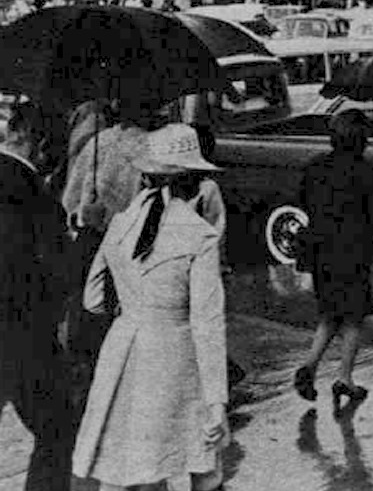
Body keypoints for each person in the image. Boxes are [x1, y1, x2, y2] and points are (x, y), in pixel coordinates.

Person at [72, 123, 229, 491]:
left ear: (145, 175)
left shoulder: (121, 223)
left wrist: (131, 305)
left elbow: (93, 299)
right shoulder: (199, 235)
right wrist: (217, 401)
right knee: (187, 464)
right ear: (195, 177)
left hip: (122, 351)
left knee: (123, 463)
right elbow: (207, 324)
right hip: (174, 358)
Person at [293, 110, 373, 411]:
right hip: (353, 253)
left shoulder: (314, 168)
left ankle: (309, 366)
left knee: (330, 314)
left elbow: (304, 201)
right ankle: (344, 378)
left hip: (321, 252)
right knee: (353, 317)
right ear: (362, 140)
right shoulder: (368, 173)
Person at [0, 101, 75, 491]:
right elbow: (54, 269)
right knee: (59, 427)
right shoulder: (32, 192)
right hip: (24, 336)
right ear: (38, 141)